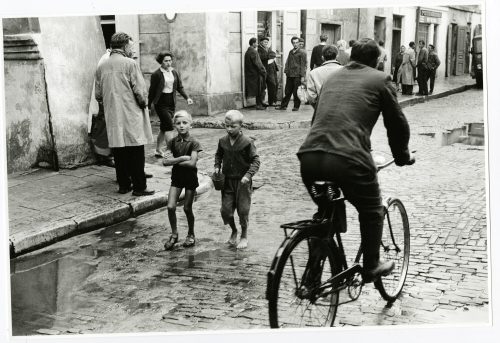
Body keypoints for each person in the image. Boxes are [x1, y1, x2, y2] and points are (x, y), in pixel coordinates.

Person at [297, 38, 415, 282]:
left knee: (327, 211)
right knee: (372, 210)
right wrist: (402, 156)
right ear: (377, 61)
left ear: (350, 58)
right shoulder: (380, 79)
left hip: (309, 157)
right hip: (347, 160)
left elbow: (322, 119)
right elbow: (396, 123)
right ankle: (371, 265)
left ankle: (314, 273)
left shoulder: (332, 78)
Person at [95, 32, 155, 196]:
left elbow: (98, 95)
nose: (132, 49)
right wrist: (144, 104)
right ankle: (139, 187)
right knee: (136, 152)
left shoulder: (102, 66)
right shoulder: (130, 64)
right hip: (131, 114)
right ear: (125, 46)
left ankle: (123, 185)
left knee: (119, 152)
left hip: (113, 115)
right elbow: (141, 92)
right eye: (131, 46)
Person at [214, 110, 260, 249]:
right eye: (226, 126)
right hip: (227, 181)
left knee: (243, 211)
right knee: (226, 211)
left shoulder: (247, 142)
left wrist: (248, 175)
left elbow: (256, 160)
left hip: (242, 183)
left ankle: (244, 236)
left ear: (241, 126)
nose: (229, 129)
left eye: (232, 126)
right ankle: (234, 230)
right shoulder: (222, 141)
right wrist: (217, 167)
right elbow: (218, 155)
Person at [162, 110, 202, 250]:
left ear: (190, 124)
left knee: (187, 208)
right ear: (174, 125)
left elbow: (192, 163)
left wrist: (173, 161)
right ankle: (174, 234)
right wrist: (181, 158)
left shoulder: (194, 143)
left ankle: (191, 234)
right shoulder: (172, 142)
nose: (182, 126)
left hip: (190, 178)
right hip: (177, 178)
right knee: (170, 206)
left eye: (185, 123)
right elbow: (165, 162)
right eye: (178, 123)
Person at [148, 51, 193, 158]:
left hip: (171, 102)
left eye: (170, 60)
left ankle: (158, 150)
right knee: (169, 126)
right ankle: (172, 151)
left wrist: (187, 98)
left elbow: (179, 87)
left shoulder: (174, 72)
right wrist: (148, 106)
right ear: (161, 62)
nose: (168, 63)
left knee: (164, 128)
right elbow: (152, 91)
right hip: (160, 103)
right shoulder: (156, 74)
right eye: (166, 61)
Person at [88, 49, 114, 167]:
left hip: (106, 100)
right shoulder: (107, 59)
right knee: (103, 129)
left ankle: (105, 155)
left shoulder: (109, 58)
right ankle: (103, 156)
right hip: (105, 100)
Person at [276, 36, 307, 111]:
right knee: (287, 91)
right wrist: (286, 71)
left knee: (296, 91)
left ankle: (296, 106)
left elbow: (303, 65)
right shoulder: (291, 52)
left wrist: (302, 76)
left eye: (297, 43)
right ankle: (283, 106)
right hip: (290, 74)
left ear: (299, 43)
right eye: (294, 43)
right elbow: (288, 62)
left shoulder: (302, 52)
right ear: (292, 43)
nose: (295, 44)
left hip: (297, 75)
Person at [244, 37, 267, 110]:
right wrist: (263, 71)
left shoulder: (248, 52)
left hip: (251, 74)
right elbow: (258, 63)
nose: (257, 44)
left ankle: (261, 103)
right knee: (259, 89)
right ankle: (259, 105)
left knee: (258, 89)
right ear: (253, 43)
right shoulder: (253, 52)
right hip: (256, 74)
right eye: (256, 43)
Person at [258, 36, 278, 107]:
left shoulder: (268, 48)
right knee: (263, 86)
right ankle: (262, 102)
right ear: (261, 42)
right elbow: (261, 57)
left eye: (267, 42)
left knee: (273, 85)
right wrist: (269, 57)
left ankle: (271, 101)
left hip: (272, 70)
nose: (266, 43)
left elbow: (273, 54)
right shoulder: (259, 49)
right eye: (264, 42)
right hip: (264, 69)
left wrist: (269, 56)